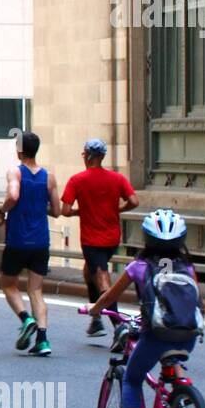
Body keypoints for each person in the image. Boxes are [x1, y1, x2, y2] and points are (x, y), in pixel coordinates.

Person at [88, 208, 201, 408]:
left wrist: (94, 309)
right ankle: (180, 391)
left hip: (157, 334)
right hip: (188, 335)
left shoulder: (139, 267)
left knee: (132, 377)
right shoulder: (187, 268)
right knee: (172, 360)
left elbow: (110, 296)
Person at [61, 138, 139, 337]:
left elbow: (66, 210)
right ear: (102, 156)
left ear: (87, 155)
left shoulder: (77, 180)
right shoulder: (117, 178)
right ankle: (96, 319)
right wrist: (119, 208)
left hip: (91, 239)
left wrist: (82, 211)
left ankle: (118, 326)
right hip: (112, 237)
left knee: (102, 279)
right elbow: (134, 201)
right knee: (89, 272)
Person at [0, 131, 61, 356]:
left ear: (19, 150)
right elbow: (57, 211)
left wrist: (2, 211)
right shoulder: (49, 177)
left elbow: (13, 196)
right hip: (41, 240)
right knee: (36, 289)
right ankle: (42, 340)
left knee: (8, 283)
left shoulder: (16, 172)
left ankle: (26, 318)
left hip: (18, 240)